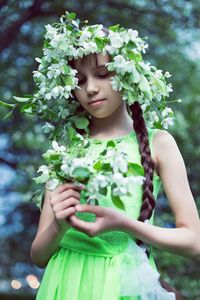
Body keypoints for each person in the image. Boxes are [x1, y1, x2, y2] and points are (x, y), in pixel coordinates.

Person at [30, 12, 200, 300]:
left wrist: (123, 223)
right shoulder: (64, 147)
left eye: (103, 74)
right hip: (63, 284)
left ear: (126, 73)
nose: (90, 88)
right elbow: (39, 255)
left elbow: (195, 243)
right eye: (79, 80)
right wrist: (58, 226)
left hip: (122, 284)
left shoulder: (159, 143)